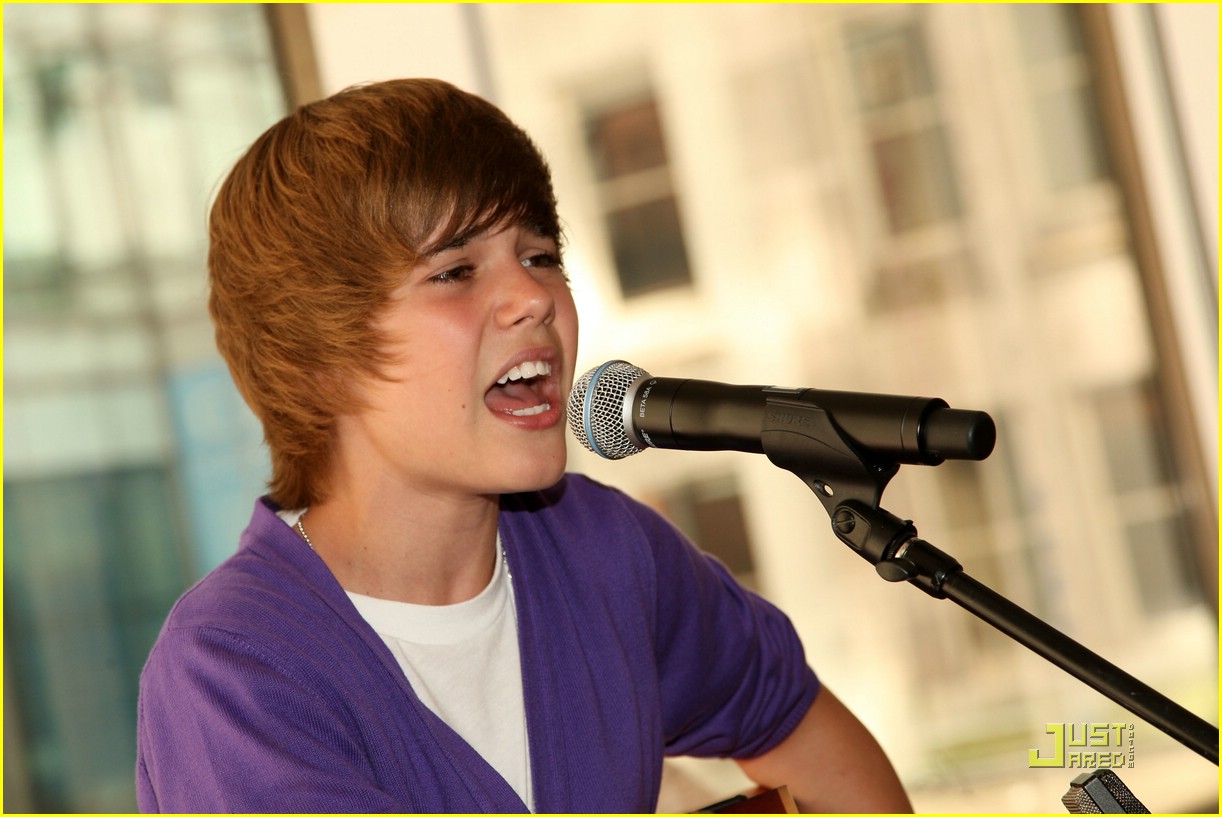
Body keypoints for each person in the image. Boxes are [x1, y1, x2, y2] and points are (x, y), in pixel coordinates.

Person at [135, 78, 912, 814]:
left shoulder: (603, 548)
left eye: (541, 256)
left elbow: (797, 723)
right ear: (318, 357)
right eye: (455, 271)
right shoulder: (239, 670)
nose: (534, 297)